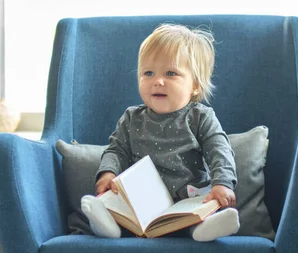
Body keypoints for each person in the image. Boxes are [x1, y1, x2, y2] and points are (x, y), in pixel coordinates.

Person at [81, 23, 240, 241]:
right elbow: (116, 150)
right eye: (148, 73)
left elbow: (219, 150)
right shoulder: (131, 118)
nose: (157, 81)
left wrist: (222, 183)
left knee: (203, 208)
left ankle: (207, 229)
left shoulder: (200, 117)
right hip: (141, 202)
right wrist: (108, 173)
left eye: (171, 73)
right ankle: (106, 226)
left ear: (195, 85)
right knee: (112, 201)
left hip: (187, 199)